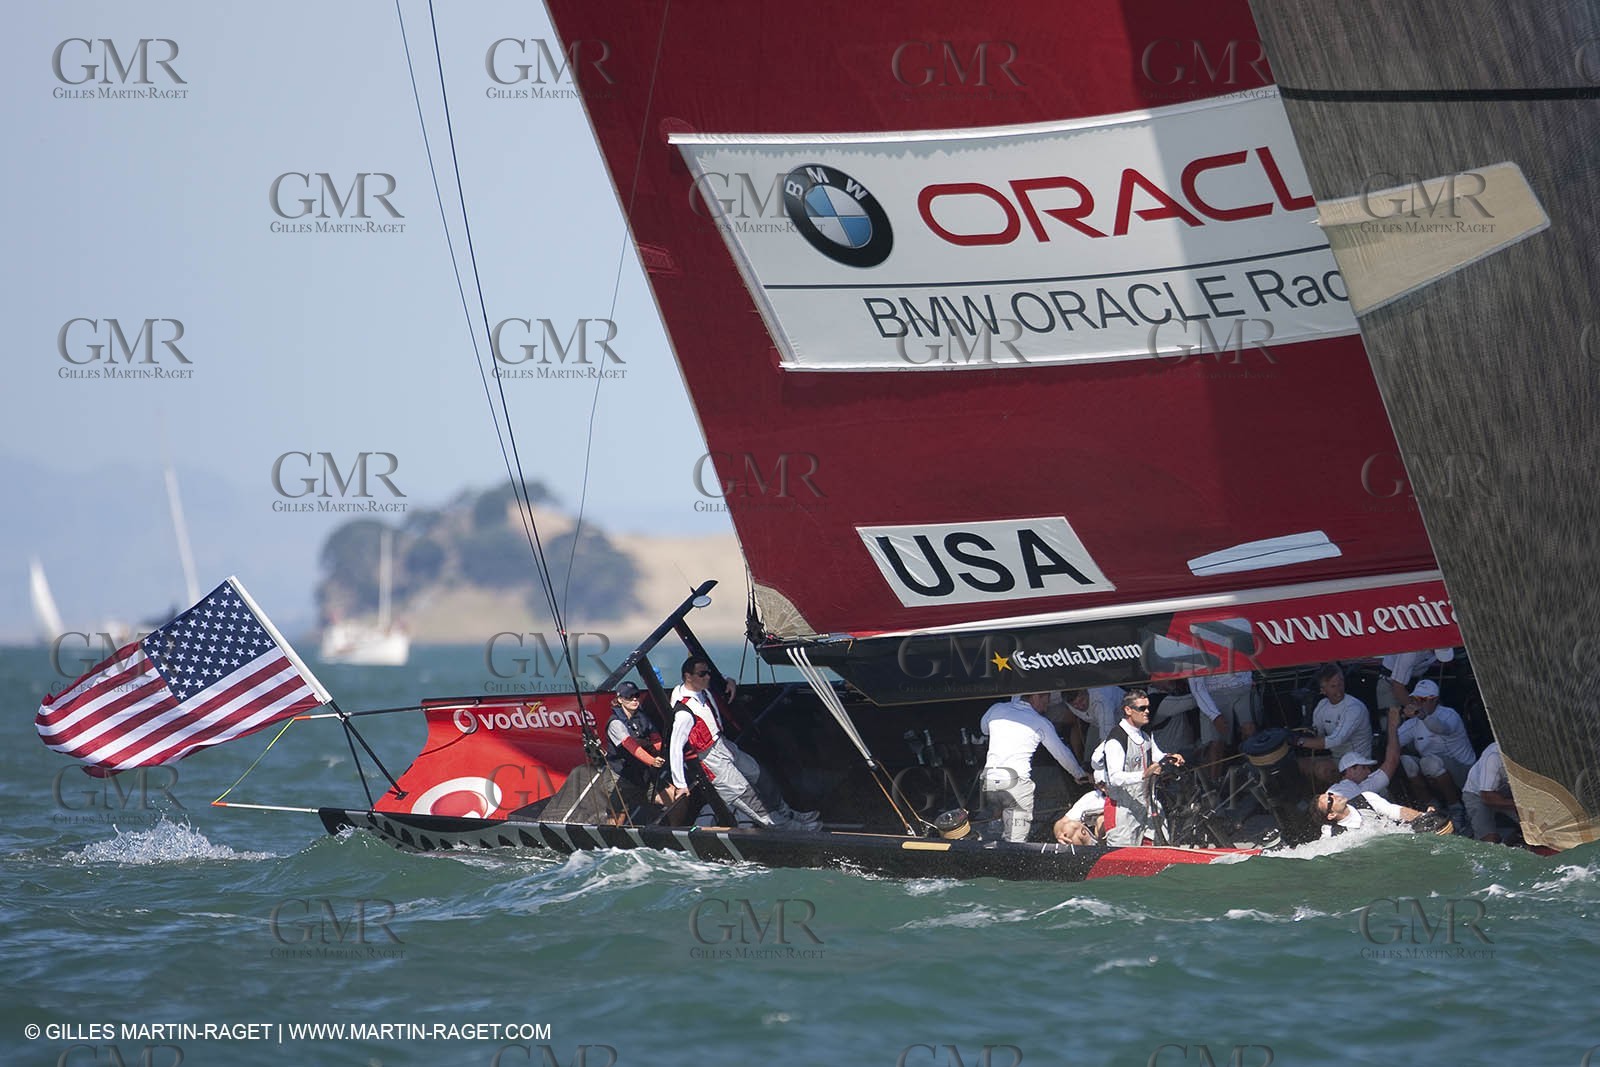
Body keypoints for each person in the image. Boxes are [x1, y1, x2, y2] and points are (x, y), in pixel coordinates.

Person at [668, 655, 819, 831]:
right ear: (688, 677)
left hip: (723, 744)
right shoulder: (684, 713)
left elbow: (718, 678)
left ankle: (785, 812)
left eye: (707, 673)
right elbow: (675, 749)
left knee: (760, 775)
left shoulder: (702, 688)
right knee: (745, 794)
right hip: (710, 758)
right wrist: (680, 784)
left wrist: (728, 680)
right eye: (702, 674)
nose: (708, 677)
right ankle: (787, 827)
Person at [979, 692, 1090, 842]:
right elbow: (1061, 753)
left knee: (1002, 830)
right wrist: (1079, 774)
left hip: (990, 781)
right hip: (1016, 783)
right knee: (1015, 842)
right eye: (1046, 700)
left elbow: (984, 729)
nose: (1046, 707)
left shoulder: (997, 708)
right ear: (1036, 696)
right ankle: (1006, 861)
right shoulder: (1040, 722)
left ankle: (995, 851)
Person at [1094, 689, 1184, 846]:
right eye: (1142, 708)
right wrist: (1143, 775)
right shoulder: (1116, 740)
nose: (1147, 712)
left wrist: (1170, 758)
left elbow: (1156, 756)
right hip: (1122, 809)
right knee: (1124, 860)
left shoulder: (1144, 734)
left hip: (1146, 802)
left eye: (1148, 707)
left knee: (1160, 846)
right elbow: (1115, 778)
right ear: (1128, 710)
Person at [1396, 679, 1476, 816]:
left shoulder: (1449, 714)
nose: (1417, 703)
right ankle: (1432, 808)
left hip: (1464, 772)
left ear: (1435, 700)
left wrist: (1421, 715)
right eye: (1414, 699)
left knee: (1429, 762)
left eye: (1422, 699)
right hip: (1434, 771)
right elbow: (1393, 742)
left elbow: (1442, 728)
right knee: (1406, 761)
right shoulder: (1413, 723)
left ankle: (1456, 809)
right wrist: (1393, 722)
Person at [604, 681, 676, 821]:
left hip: (643, 775)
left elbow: (656, 737)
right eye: (629, 696)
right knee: (617, 819)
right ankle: (613, 842)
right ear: (620, 700)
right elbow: (630, 746)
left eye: (636, 695)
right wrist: (652, 760)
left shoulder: (642, 716)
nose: (634, 699)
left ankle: (675, 835)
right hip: (621, 777)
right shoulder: (615, 723)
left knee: (677, 799)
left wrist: (658, 750)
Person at [1296, 663, 1372, 786]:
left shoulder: (1354, 707)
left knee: (1323, 770)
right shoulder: (1322, 706)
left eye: (1340, 684)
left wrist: (1299, 741)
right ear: (1322, 690)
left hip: (1357, 761)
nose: (1339, 689)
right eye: (1333, 686)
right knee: (1300, 764)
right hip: (1336, 758)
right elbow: (1317, 736)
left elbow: (1336, 740)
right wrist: (1301, 733)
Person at [1326, 700, 1404, 802]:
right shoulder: (1337, 791)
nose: (1368, 771)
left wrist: (1392, 725)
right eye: (1363, 768)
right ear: (1350, 770)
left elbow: (1392, 760)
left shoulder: (1365, 785)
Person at [1191, 671, 1257, 779]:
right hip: (1213, 692)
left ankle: (1256, 776)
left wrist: (1247, 679)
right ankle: (1212, 787)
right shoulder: (1195, 654)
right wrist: (1214, 716)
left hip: (1244, 688)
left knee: (1251, 732)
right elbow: (1197, 687)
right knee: (1215, 744)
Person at [1462, 741, 1520, 843]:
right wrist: (1520, 804)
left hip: (1507, 793)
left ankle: (1512, 837)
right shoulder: (1494, 756)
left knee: (1536, 827)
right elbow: (1487, 797)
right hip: (1478, 794)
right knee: (1489, 842)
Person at [1313, 788, 1425, 836]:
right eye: (1330, 800)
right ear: (1331, 815)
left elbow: (1397, 811)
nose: (1334, 796)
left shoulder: (1366, 798)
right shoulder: (1333, 834)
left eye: (1331, 794)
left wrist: (1422, 817)